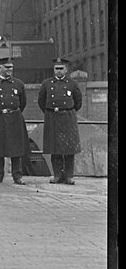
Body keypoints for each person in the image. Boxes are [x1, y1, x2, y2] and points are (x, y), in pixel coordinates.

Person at [0, 57, 30, 185]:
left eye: (11, 67)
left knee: (16, 149)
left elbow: (23, 103)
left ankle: (17, 176)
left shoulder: (18, 84)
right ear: (0, 68)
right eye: (7, 67)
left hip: (14, 119)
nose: (10, 70)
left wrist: (13, 112)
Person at [38, 57, 83, 185]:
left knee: (69, 148)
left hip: (68, 117)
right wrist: (50, 111)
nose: (58, 71)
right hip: (52, 117)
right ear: (53, 70)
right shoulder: (47, 83)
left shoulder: (72, 84)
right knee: (55, 148)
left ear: (66, 69)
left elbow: (78, 102)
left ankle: (69, 176)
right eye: (56, 69)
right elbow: (42, 101)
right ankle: (57, 175)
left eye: (61, 69)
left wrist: (68, 111)